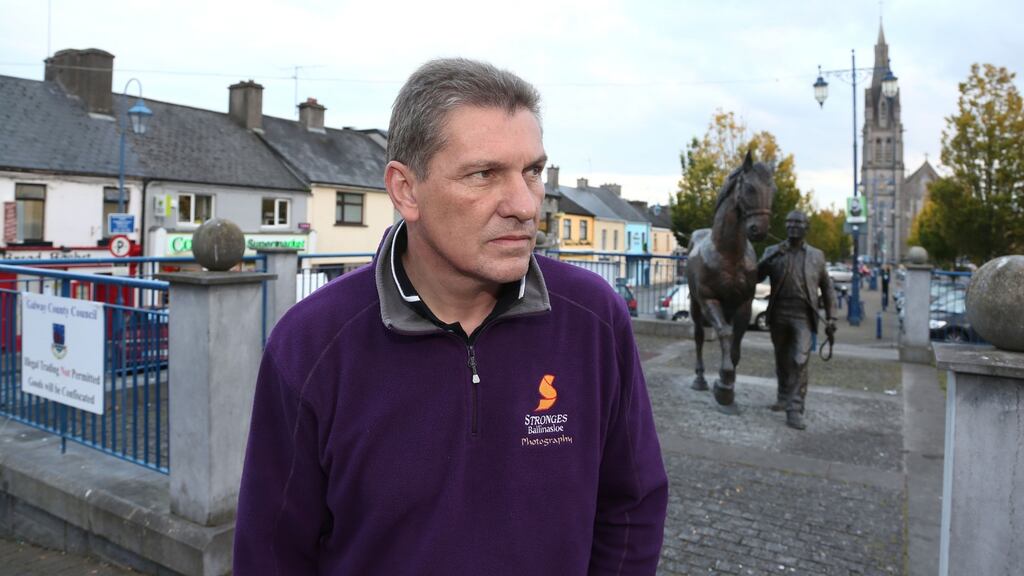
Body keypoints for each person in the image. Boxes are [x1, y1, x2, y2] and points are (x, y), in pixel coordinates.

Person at [234, 58, 668, 574]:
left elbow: (632, 503)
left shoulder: (593, 319)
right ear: (406, 190)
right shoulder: (311, 345)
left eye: (531, 172)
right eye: (484, 174)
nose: (526, 206)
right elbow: (272, 552)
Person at [757, 210, 837, 430]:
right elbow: (755, 276)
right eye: (789, 222)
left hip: (803, 315)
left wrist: (832, 317)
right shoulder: (773, 251)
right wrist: (772, 257)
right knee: (782, 359)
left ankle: (795, 408)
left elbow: (827, 289)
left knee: (800, 360)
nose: (792, 226)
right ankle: (783, 397)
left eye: (797, 223)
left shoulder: (816, 256)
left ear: (806, 227)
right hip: (779, 312)